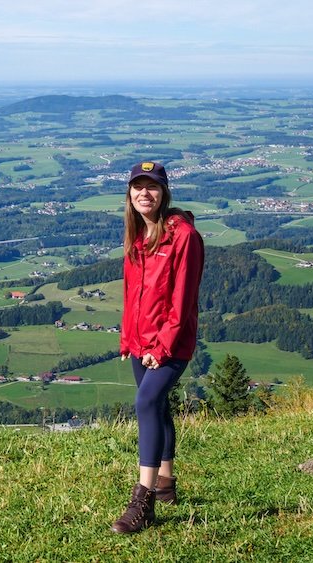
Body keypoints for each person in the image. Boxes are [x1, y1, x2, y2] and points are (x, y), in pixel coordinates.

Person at [111, 161, 204, 534]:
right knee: (158, 404)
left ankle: (143, 500)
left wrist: (162, 347)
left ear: (165, 192)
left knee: (146, 402)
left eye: (152, 186)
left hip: (172, 343)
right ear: (130, 194)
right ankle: (165, 482)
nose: (144, 193)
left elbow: (182, 301)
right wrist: (127, 339)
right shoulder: (137, 237)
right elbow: (133, 295)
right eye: (138, 186)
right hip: (139, 341)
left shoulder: (183, 237)